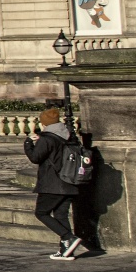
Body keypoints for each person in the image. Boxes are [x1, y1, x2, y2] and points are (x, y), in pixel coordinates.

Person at [25, 106, 85, 259]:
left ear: (44, 123)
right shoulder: (70, 136)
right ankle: (66, 249)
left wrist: (28, 144)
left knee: (41, 212)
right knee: (61, 215)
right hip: (70, 181)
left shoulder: (47, 138)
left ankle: (68, 237)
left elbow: (35, 158)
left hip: (52, 184)